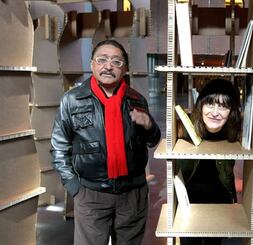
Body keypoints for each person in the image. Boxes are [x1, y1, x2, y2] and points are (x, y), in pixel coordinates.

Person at [50, 39, 161, 245]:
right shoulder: (73, 100)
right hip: (91, 194)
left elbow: (153, 140)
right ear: (92, 64)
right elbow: (59, 146)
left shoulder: (137, 100)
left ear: (125, 68)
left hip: (132, 194)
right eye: (102, 60)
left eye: (116, 62)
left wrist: (149, 125)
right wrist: (75, 187)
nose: (108, 66)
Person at [177, 79, 242, 245]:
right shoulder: (185, 128)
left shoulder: (234, 132)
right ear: (201, 106)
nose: (215, 112)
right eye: (210, 104)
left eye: (223, 106)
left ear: (232, 111)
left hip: (219, 199)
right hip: (189, 201)